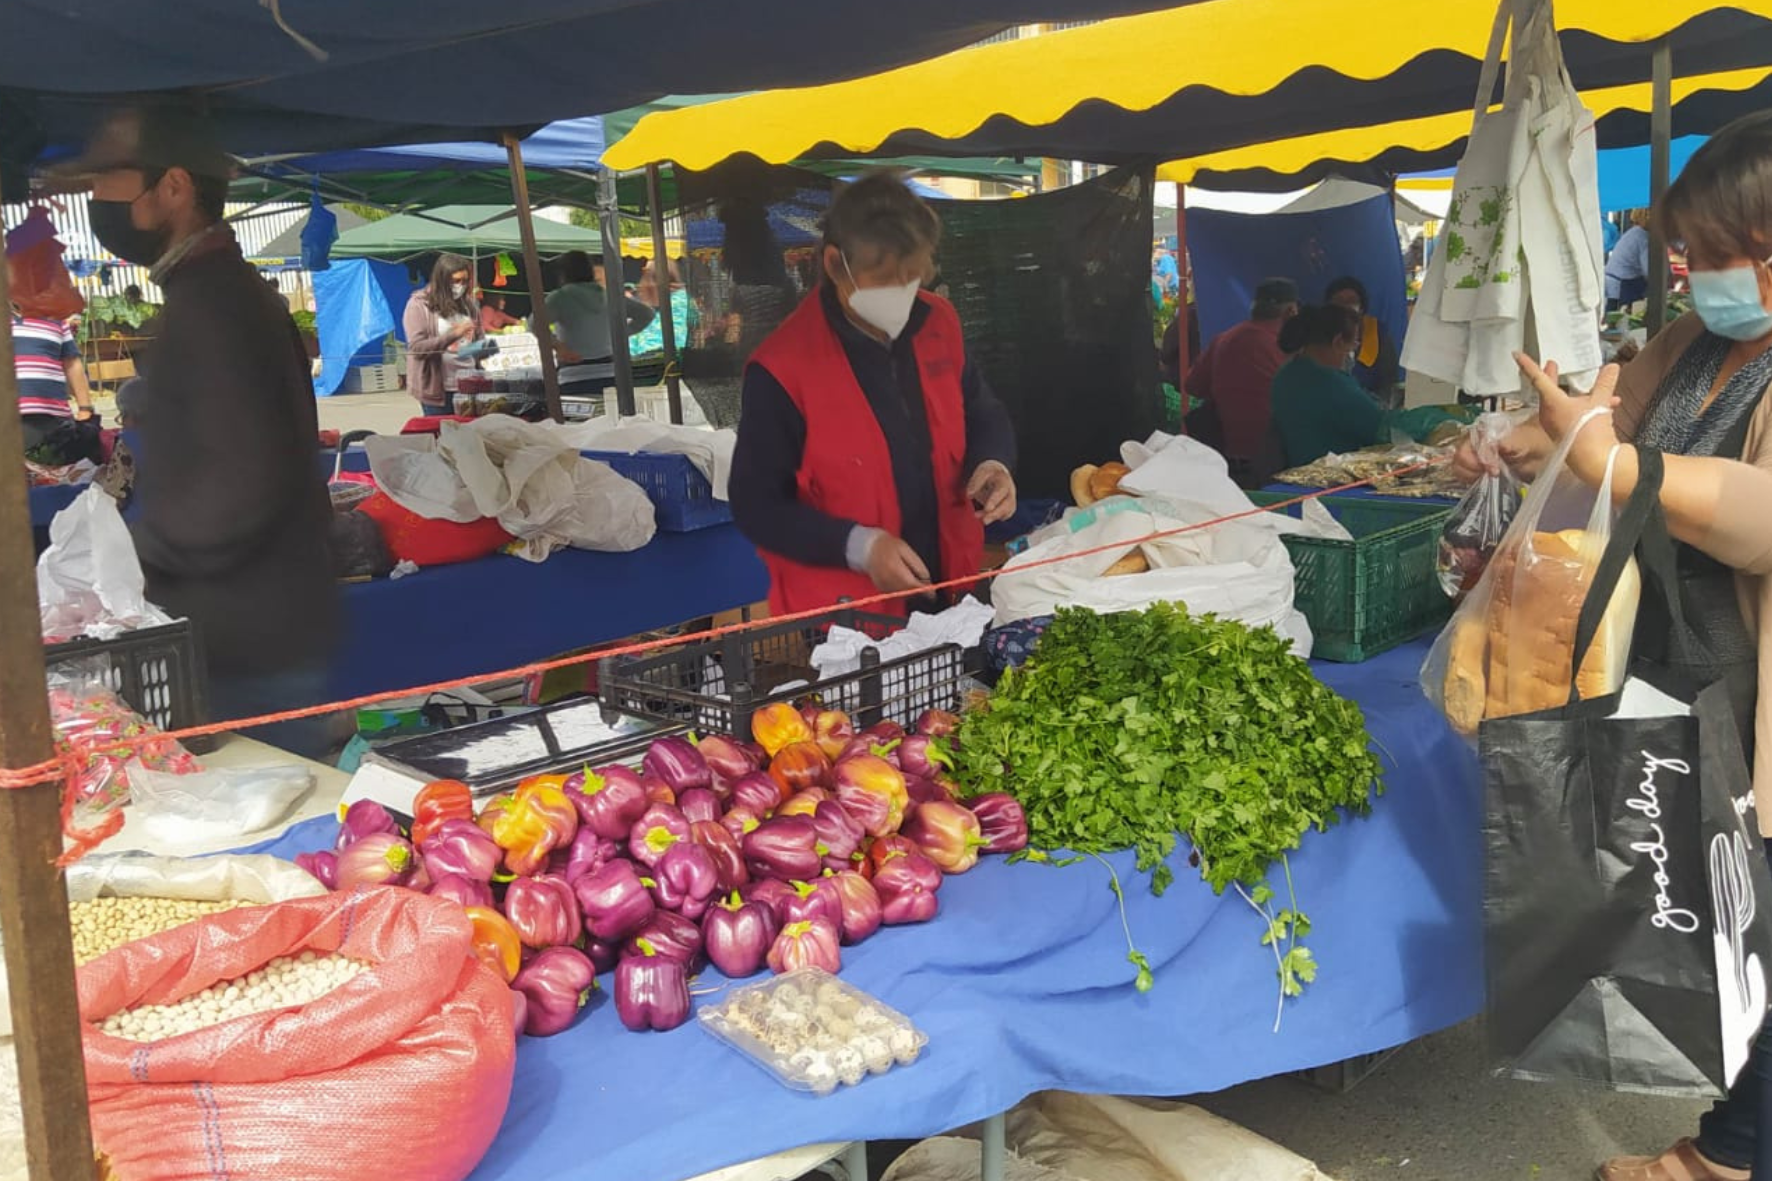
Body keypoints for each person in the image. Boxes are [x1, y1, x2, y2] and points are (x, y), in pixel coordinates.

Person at [1448, 112, 1772, 1181]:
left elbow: (1755, 516)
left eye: (1723, 252)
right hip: (1675, 670)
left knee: (1759, 921)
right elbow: (1601, 425)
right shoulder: (1695, 340)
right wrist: (1517, 439)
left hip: (1755, 690)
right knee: (1723, 918)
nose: (1696, 273)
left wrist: (1610, 457)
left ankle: (1726, 1155)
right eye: (1693, 250)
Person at [70, 105, 336, 755]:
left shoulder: (216, 304)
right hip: (258, 622)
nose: (97, 197)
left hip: (248, 633)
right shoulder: (214, 293)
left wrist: (138, 561)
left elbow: (238, 484)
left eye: (111, 177)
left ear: (175, 186)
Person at [730, 171, 1017, 616]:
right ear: (833, 264)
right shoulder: (782, 368)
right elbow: (757, 506)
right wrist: (860, 546)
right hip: (846, 617)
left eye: (912, 276)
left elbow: (981, 409)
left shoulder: (938, 322)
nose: (901, 292)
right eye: (884, 278)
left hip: (950, 586)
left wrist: (993, 462)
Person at [1185, 277, 1298, 485]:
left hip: (1224, 462)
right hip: (1279, 464)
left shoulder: (1223, 339)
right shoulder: (1288, 351)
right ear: (1291, 312)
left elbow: (1192, 386)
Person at [1270, 304, 1392, 466]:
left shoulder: (1286, 374)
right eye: (1353, 344)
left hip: (1297, 474)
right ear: (1338, 342)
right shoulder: (1333, 386)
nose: (1352, 353)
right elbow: (1385, 430)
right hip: (1334, 478)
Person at [11, 289, 99, 466]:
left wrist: (85, 408)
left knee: (58, 476)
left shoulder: (56, 320)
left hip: (55, 420)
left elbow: (72, 363)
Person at [539, 250, 654, 364]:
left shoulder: (560, 298)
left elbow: (535, 324)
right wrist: (619, 334)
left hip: (573, 367)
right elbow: (647, 314)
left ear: (563, 274)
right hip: (609, 366)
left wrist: (558, 346)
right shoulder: (610, 296)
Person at [403, 254, 481, 415]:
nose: (460, 286)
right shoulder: (419, 305)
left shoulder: (469, 305)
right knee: (443, 435)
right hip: (439, 390)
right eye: (455, 281)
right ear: (442, 280)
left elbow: (478, 340)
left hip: (470, 386)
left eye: (465, 281)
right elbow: (417, 348)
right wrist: (453, 334)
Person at [1324, 275, 1399, 401]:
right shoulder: (1320, 332)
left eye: (1351, 300)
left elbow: (1390, 381)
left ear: (1362, 307)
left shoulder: (1377, 332)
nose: (1345, 306)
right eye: (1339, 300)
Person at [1605, 208, 1654, 309]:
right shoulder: (1643, 237)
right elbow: (1650, 272)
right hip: (1622, 288)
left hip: (1615, 285)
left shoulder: (1633, 233)